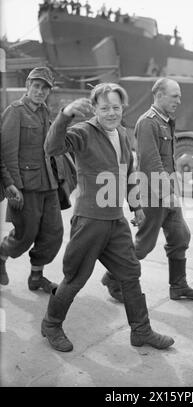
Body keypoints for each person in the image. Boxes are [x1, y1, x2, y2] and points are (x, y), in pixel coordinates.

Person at [41, 83, 174, 352]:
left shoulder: (122, 133)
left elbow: (128, 172)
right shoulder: (82, 132)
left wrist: (135, 205)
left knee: (130, 273)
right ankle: (51, 324)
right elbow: (51, 147)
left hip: (116, 221)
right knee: (75, 277)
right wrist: (65, 115)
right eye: (105, 108)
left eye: (116, 107)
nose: (111, 113)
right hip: (89, 221)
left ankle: (141, 331)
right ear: (95, 109)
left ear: (122, 108)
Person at [102, 78, 193, 303]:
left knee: (180, 237)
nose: (179, 100)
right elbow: (150, 161)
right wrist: (167, 193)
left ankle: (178, 287)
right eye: (174, 96)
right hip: (153, 194)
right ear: (159, 95)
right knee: (144, 244)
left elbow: (167, 161)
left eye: (179, 96)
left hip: (168, 192)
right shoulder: (147, 122)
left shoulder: (166, 121)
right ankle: (112, 277)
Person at [0, 67, 63, 291]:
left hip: (48, 183)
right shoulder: (15, 111)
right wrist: (11, 185)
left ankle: (36, 277)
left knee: (53, 233)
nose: (40, 91)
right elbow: (6, 152)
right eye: (36, 86)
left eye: (45, 88)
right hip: (25, 185)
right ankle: (1, 254)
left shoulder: (45, 111)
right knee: (25, 235)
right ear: (28, 85)